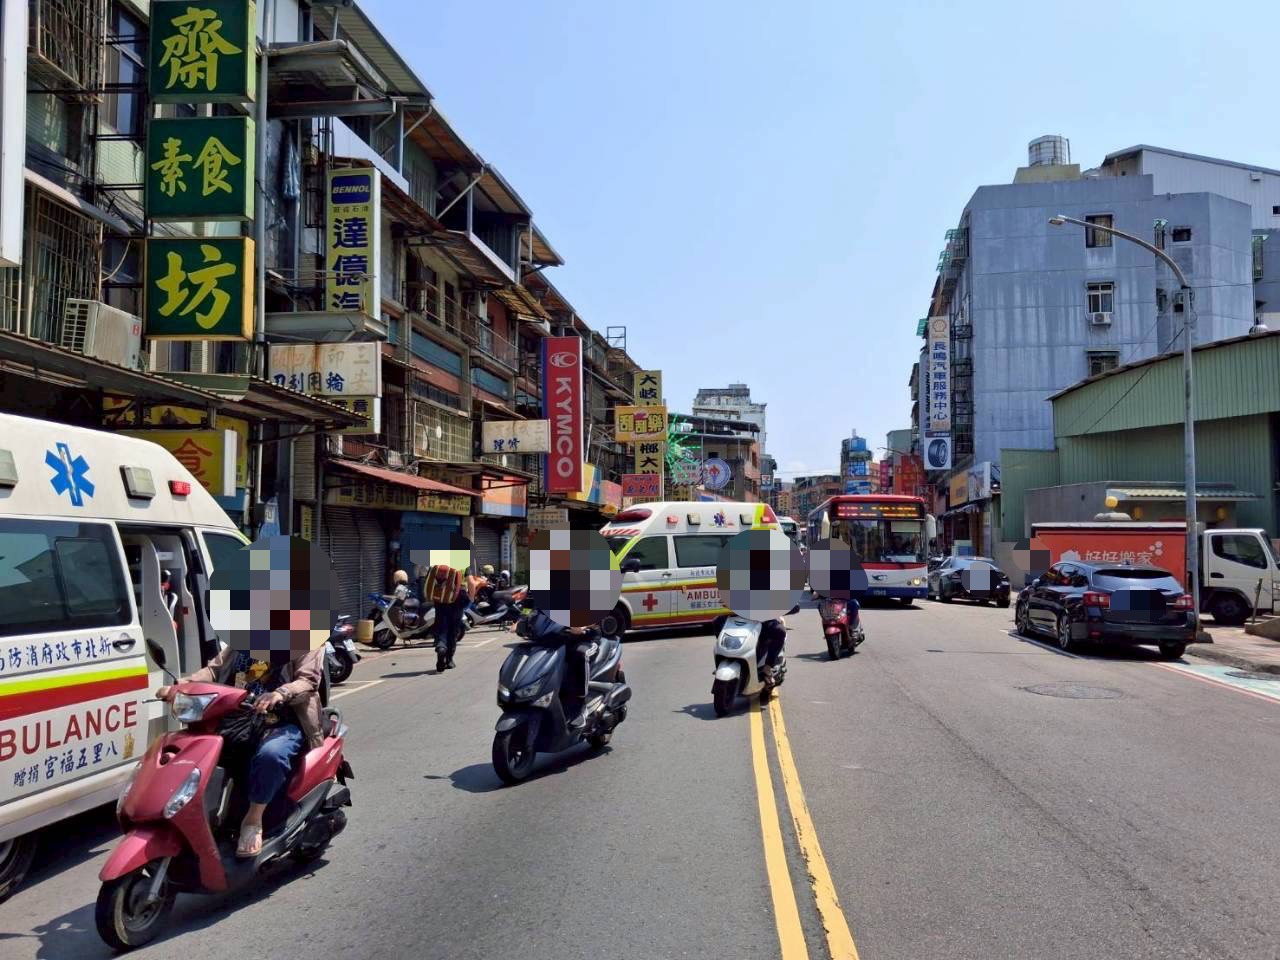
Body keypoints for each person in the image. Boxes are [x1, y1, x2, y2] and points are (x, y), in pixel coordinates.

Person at [155, 644, 324, 858]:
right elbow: (214, 670)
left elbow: (307, 681)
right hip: (237, 719)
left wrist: (280, 693)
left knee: (271, 755)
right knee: (195, 752)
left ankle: (253, 820)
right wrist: (186, 683)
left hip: (282, 721)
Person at [424, 562, 466, 671]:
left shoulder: (439, 560)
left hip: (441, 598)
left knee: (441, 626)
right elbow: (470, 580)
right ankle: (449, 660)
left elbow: (429, 578)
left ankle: (441, 646)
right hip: (457, 599)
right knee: (453, 630)